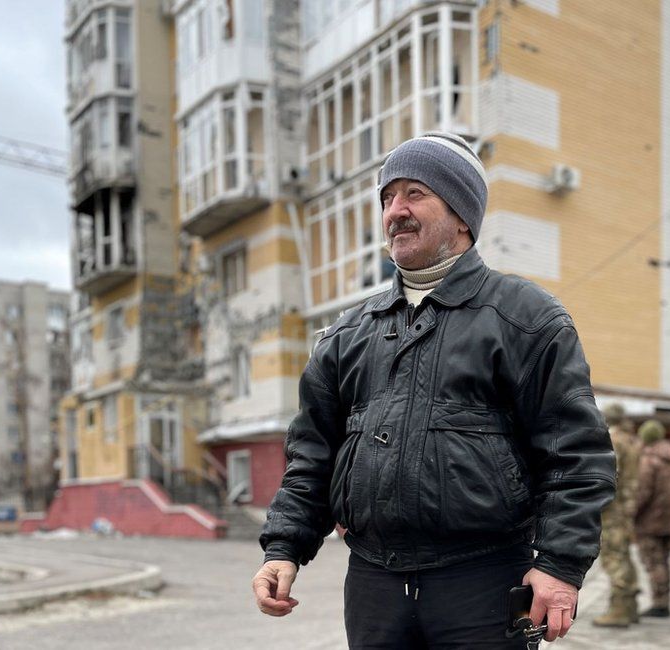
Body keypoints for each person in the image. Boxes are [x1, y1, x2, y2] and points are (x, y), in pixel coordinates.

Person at [252, 132, 616, 648]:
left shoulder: (527, 320)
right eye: (386, 197)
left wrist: (559, 566)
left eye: (414, 193)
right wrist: (283, 548)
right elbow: (311, 455)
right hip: (374, 585)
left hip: (484, 583)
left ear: (463, 214)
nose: (394, 210)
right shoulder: (346, 336)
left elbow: (576, 457)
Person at [592, 404, 644, 628]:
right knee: (623, 555)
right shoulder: (631, 440)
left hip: (612, 509)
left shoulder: (614, 440)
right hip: (625, 508)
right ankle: (630, 607)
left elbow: (608, 476)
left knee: (613, 557)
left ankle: (619, 610)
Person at [633, 419, 670, 618]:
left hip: (650, 521)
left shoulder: (649, 460)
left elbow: (643, 492)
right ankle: (665, 600)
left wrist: (631, 512)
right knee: (664, 561)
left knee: (654, 562)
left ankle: (659, 604)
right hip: (668, 519)